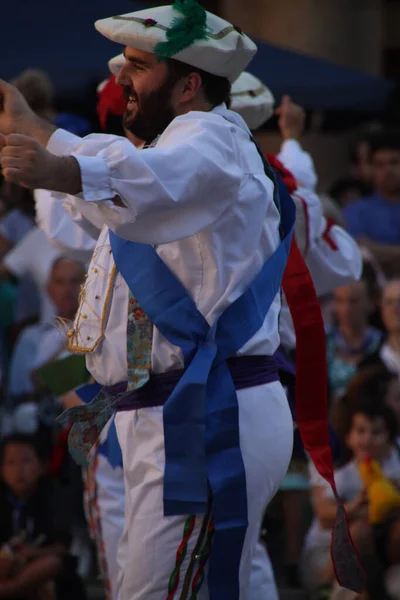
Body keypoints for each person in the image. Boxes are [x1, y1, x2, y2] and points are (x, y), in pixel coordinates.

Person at [0, 3, 361, 598]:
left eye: (138, 67)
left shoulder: (212, 140)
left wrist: (58, 171)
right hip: (166, 415)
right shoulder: (179, 152)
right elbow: (132, 170)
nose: (121, 80)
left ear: (190, 83)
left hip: (202, 417)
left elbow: (146, 178)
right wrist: (32, 126)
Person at [229, 70, 363, 593]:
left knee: (229, 538)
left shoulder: (263, 189)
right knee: (238, 540)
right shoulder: (280, 185)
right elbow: (337, 254)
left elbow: (339, 259)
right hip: (246, 382)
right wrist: (292, 142)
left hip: (237, 383)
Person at [302, 384, 400, 600]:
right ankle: (327, 589)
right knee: (358, 530)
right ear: (348, 437)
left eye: (376, 433)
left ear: (389, 437)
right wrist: (358, 505)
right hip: (330, 553)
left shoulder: (394, 472)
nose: (367, 440)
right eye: (361, 432)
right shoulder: (341, 476)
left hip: (378, 553)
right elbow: (325, 516)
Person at [2, 257, 86, 438]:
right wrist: (67, 348)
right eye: (59, 282)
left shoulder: (103, 330)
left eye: (75, 281)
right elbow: (22, 391)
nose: (67, 290)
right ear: (49, 290)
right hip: (48, 429)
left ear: (87, 285)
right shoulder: (32, 337)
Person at [0, 433, 86, 600]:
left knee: (50, 566)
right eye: (11, 463)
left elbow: (61, 547)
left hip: (40, 563)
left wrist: (30, 554)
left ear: (42, 465)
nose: (19, 470)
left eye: (26, 461)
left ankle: (6, 590)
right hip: (7, 564)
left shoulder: (53, 496)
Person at [344, 132, 400, 276]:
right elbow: (360, 249)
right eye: (380, 165)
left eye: (394, 162)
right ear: (371, 170)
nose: (388, 170)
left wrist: (382, 252)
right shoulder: (356, 210)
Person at [327, 277, 383, 402]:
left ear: (370, 303)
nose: (347, 308)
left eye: (354, 301)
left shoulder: (383, 344)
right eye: (340, 301)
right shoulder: (323, 345)